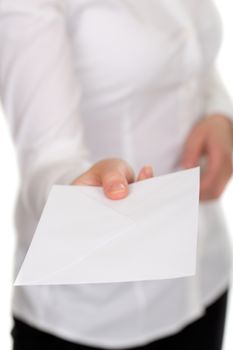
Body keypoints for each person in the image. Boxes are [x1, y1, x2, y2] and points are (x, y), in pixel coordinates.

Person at [0, 0, 233, 349]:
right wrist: (78, 193)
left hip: (205, 274)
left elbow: (191, 56)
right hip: (97, 314)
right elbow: (46, 158)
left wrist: (219, 112)